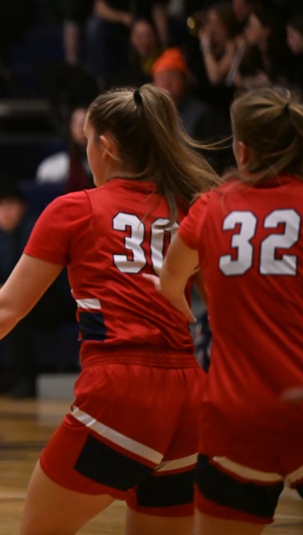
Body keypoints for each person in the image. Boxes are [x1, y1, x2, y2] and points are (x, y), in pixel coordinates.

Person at [0, 84, 220, 534]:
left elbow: (6, 309)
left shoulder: (75, 209)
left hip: (121, 393)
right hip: (190, 392)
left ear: (106, 146)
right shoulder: (187, 205)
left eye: (86, 144)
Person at [148, 85, 303, 534]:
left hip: (237, 416)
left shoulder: (212, 207)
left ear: (241, 149)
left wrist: (219, 311)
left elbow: (170, 282)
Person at [0, 178, 74, 398]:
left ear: (22, 206)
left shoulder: (34, 228)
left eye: (10, 205)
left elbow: (28, 284)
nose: (5, 212)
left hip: (57, 298)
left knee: (19, 311)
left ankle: (26, 380)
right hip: (24, 294)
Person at [35, 106, 94, 193]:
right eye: (77, 123)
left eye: (85, 122)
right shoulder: (53, 167)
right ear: (69, 128)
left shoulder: (104, 165)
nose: (81, 128)